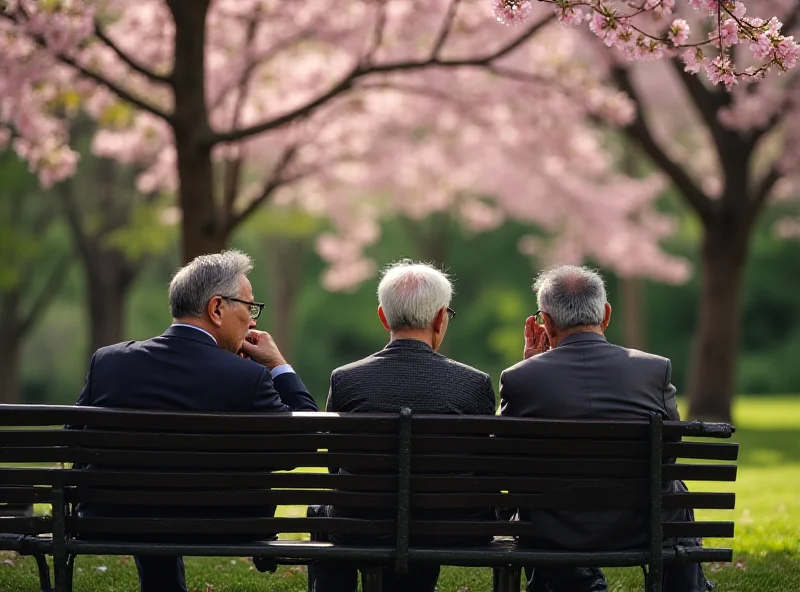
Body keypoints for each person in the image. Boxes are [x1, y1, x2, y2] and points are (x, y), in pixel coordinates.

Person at [73, 250, 318, 592]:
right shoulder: (247, 378)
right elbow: (304, 443)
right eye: (249, 307)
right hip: (228, 524)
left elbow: (75, 441)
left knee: (150, 505)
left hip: (115, 519)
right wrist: (278, 364)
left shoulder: (109, 362)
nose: (253, 321)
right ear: (217, 308)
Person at [499, 265, 710, 592]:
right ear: (606, 314)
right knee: (674, 490)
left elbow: (505, 459)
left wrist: (531, 365)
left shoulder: (520, 378)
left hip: (555, 531)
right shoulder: (654, 370)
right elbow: (670, 450)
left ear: (546, 322)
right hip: (640, 526)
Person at [309, 261, 496, 592]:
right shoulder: (474, 384)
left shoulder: (346, 380)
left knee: (325, 512)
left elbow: (335, 464)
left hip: (360, 524)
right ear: (441, 318)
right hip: (454, 527)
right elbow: (484, 469)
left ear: (383, 317)